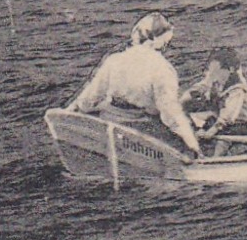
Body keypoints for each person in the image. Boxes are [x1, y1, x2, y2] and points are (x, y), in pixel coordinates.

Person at [69, 12, 202, 156]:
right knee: (183, 139)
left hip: (112, 119)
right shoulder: (163, 69)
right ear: (161, 40)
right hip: (141, 127)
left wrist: (72, 110)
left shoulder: (114, 60)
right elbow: (170, 113)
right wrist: (192, 143)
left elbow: (90, 97)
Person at [181, 46, 247, 138]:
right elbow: (203, 86)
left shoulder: (236, 89)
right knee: (194, 118)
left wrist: (211, 132)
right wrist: (187, 96)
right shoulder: (216, 78)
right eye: (211, 71)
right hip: (222, 116)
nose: (212, 75)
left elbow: (228, 115)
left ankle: (214, 149)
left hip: (244, 123)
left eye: (216, 71)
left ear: (230, 70)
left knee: (222, 140)